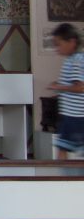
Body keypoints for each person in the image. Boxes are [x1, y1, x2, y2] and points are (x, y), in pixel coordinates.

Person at [48, 22, 84, 158]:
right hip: (72, 115)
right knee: (63, 147)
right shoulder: (71, 60)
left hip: (76, 116)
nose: (57, 48)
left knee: (62, 148)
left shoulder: (76, 61)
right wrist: (59, 84)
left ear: (72, 42)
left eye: (59, 44)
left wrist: (59, 87)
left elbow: (80, 87)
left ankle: (62, 178)